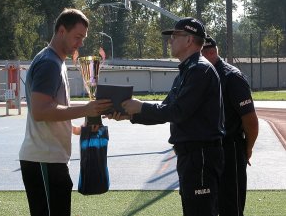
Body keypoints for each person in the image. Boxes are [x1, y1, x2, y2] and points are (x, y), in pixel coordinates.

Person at [109, 17, 225, 216]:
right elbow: (165, 108)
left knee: (201, 210)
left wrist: (140, 107)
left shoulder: (199, 70)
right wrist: (130, 114)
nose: (170, 41)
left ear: (189, 40)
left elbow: (177, 112)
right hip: (191, 156)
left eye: (174, 36)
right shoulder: (187, 71)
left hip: (201, 156)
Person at [19, 8, 112, 216]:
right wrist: (86, 109)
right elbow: (41, 112)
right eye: (77, 37)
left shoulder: (56, 61)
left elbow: (53, 110)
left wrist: (78, 129)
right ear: (61, 30)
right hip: (43, 159)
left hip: (51, 159)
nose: (80, 43)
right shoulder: (49, 63)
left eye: (83, 38)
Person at [201, 35, 259, 216]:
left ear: (211, 52)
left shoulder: (231, 76)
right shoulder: (199, 74)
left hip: (229, 150)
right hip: (205, 152)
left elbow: (250, 119)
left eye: (198, 53)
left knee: (230, 206)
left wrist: (247, 148)